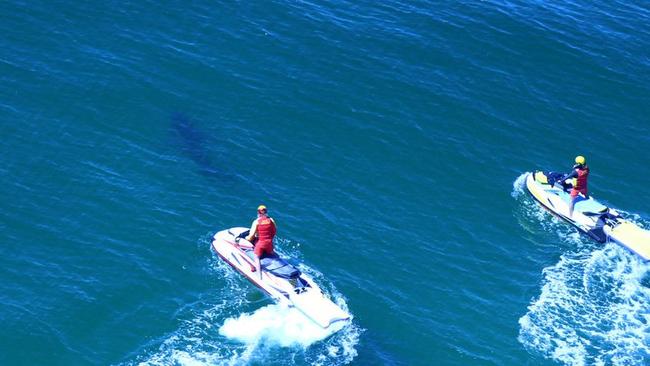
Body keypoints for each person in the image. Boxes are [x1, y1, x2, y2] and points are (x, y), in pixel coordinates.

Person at [246, 205, 277, 279]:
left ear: (258, 213)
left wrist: (246, 239)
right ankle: (279, 260)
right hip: (269, 243)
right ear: (266, 212)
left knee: (256, 257)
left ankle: (259, 276)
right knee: (272, 253)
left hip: (261, 244)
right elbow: (274, 231)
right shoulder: (271, 220)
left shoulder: (256, 222)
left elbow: (251, 237)